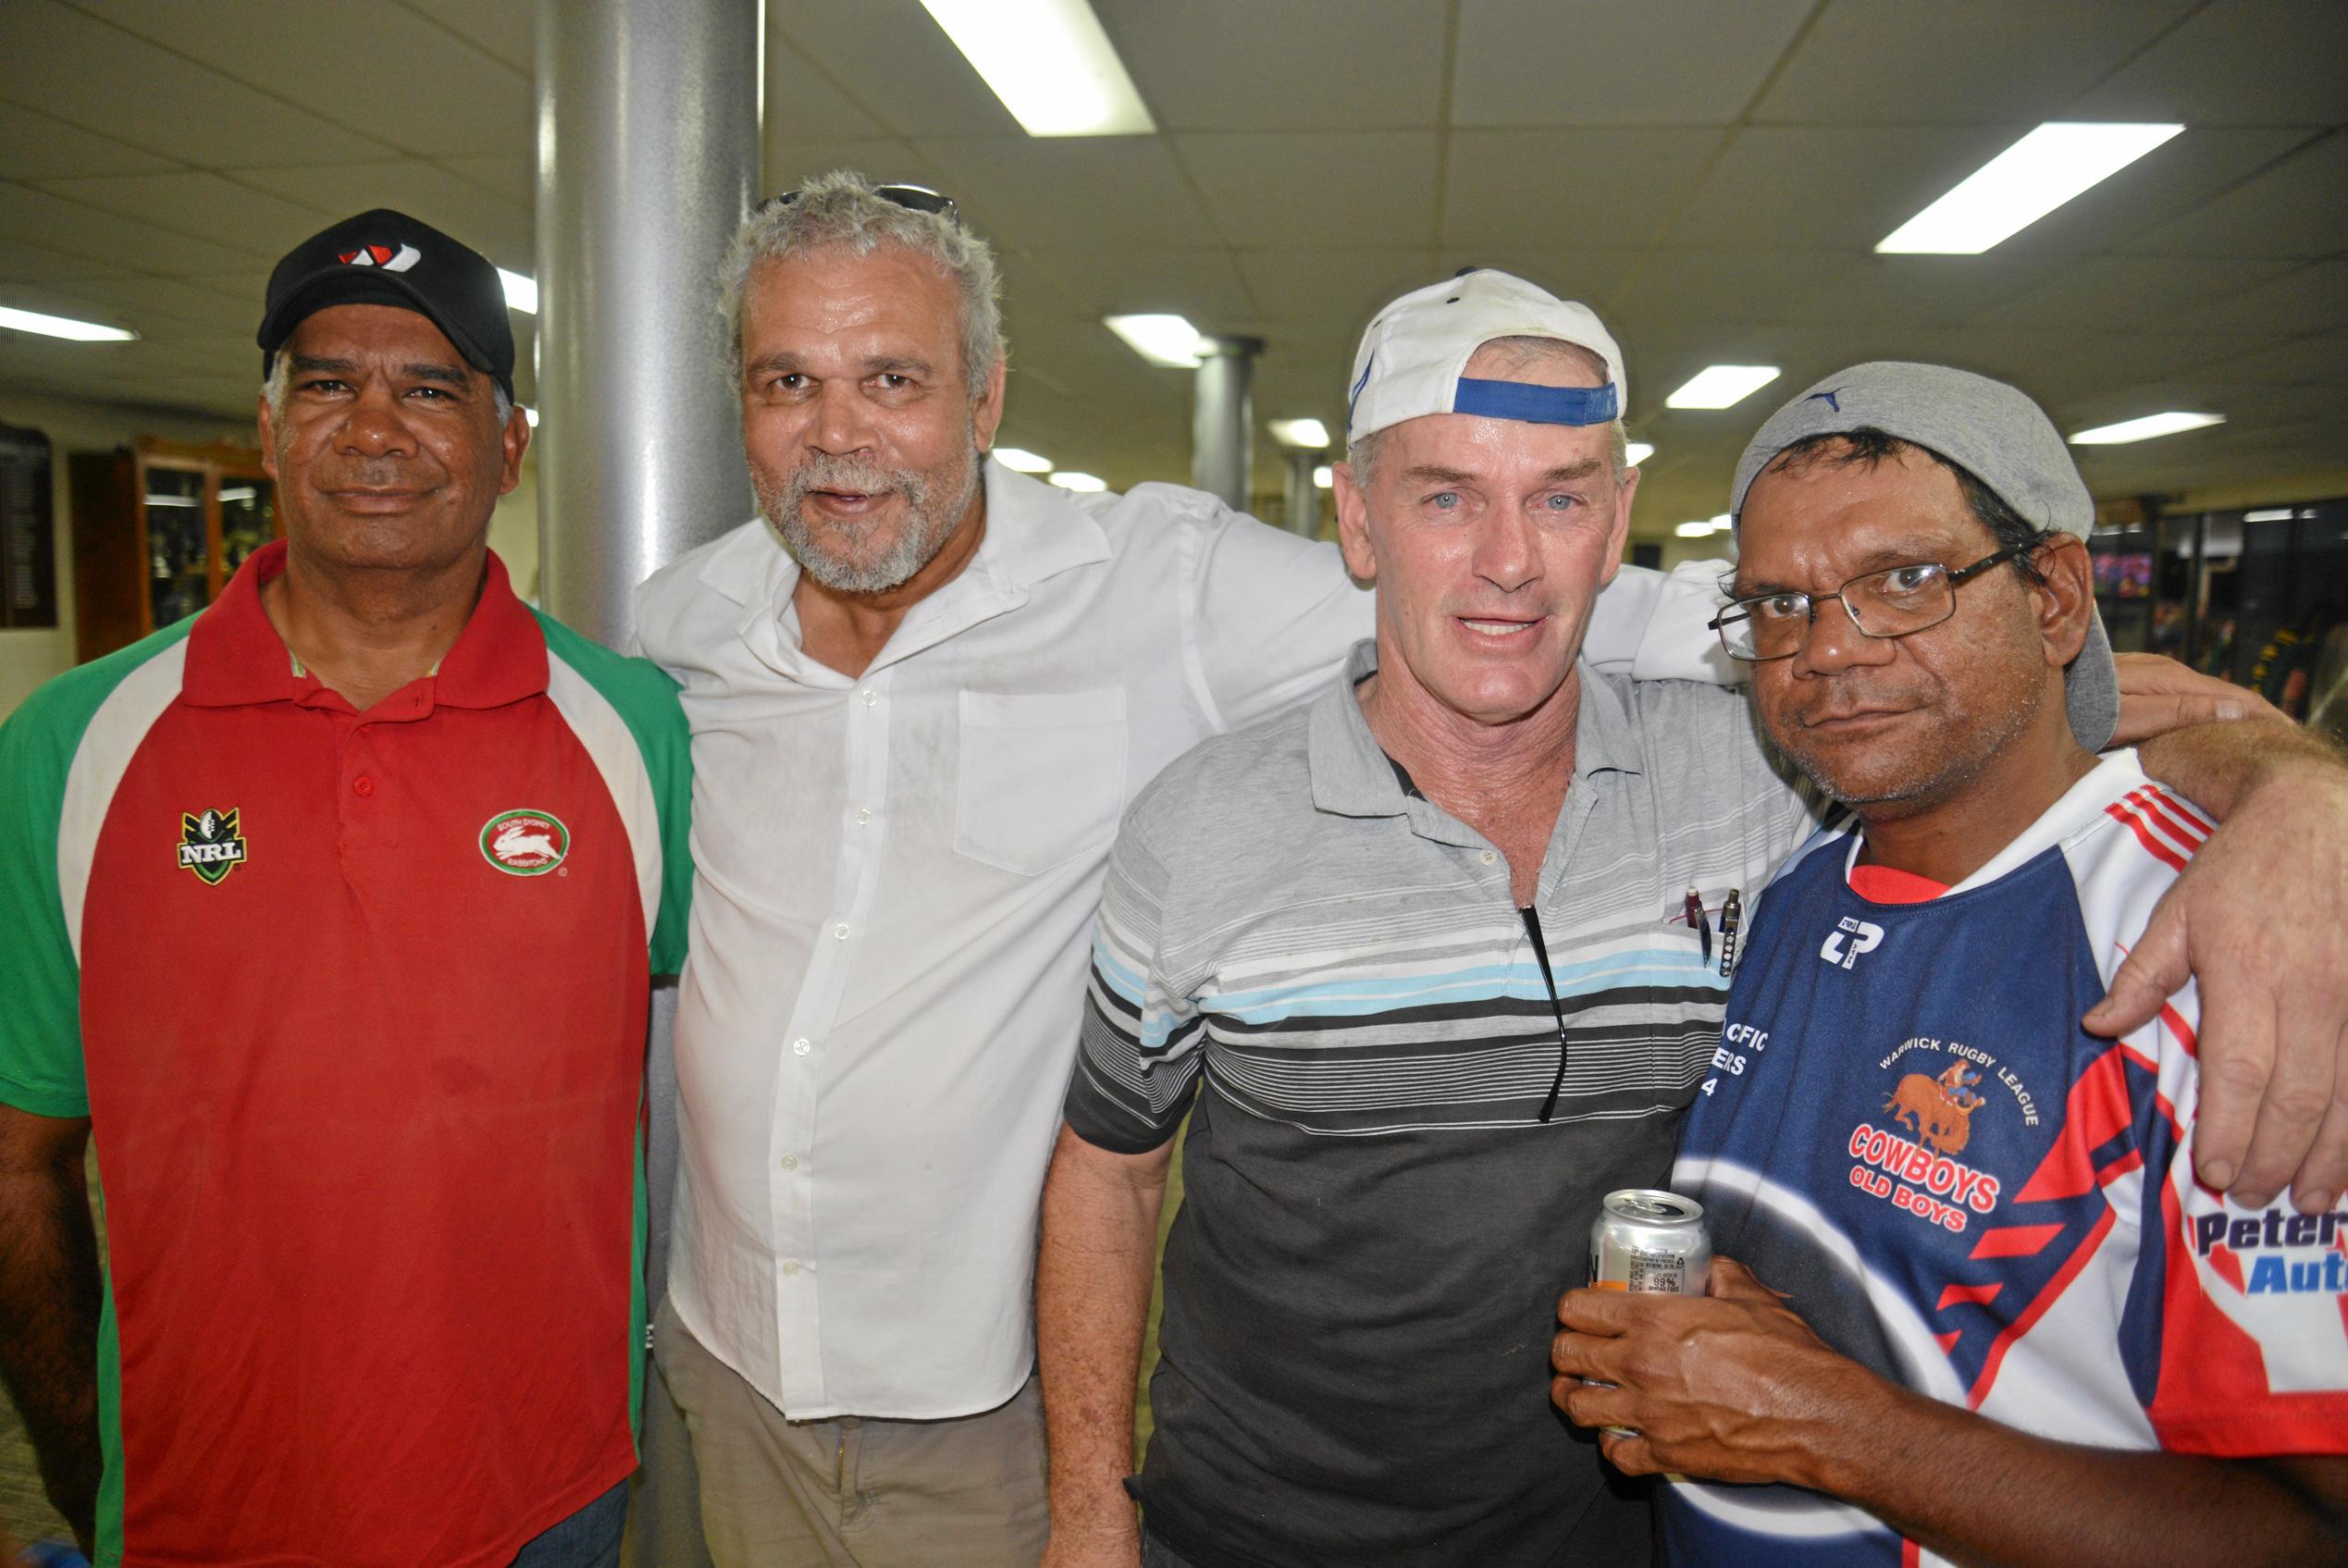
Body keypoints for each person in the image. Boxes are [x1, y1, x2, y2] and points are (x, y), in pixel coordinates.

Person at [1037, 290, 2348, 1567]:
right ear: (1359, 522)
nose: (1506, 557)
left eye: (1557, 496)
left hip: (1603, 1536)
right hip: (1263, 1528)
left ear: (1615, 528)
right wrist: (1090, 1514)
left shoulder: (1761, 785)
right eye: (1445, 494)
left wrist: (2298, 794)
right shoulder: (1199, 825)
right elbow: (1109, 1169)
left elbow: (2073, 740)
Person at [626, 173, 1736, 1568]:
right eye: (788, 379)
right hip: (730, 1356)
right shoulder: (689, 621)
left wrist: (2005, 678)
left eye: (892, 377)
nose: (837, 434)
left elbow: (1536, 600)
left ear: (982, 399)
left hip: (975, 1396)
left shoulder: (1159, 583)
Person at [1549, 364, 2348, 1566]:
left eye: (1903, 582)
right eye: (1777, 605)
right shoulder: (1786, 893)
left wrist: (1838, 1435)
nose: (1826, 649)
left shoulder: (2219, 954)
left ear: (2055, 597)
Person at [0, 210, 691, 1567]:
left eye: (431, 388)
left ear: (508, 443)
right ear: (267, 433)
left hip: (543, 1494)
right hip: (205, 1498)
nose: (374, 428)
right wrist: (86, 1467)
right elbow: (20, 1162)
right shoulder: (74, 745)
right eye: (326, 382)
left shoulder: (633, 730)